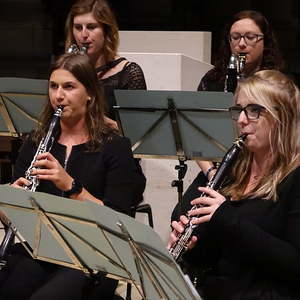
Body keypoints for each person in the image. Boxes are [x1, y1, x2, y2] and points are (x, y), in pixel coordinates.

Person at [0, 53, 146, 300]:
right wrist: (10, 202)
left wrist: (72, 187)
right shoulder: (35, 142)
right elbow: (13, 219)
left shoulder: (114, 146)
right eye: (54, 86)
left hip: (95, 257)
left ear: (89, 93)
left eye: (69, 87)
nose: (58, 95)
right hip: (41, 249)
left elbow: (118, 222)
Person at [168, 70, 300, 299]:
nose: (241, 120)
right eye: (239, 110)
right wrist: (192, 248)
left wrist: (227, 218)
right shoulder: (233, 169)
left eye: (254, 110)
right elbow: (215, 256)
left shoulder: (295, 177)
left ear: (283, 117)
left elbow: (294, 263)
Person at [181, 10, 285, 215]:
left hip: (260, 170)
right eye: (235, 37)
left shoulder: (275, 85)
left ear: (265, 42)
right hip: (219, 169)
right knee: (182, 213)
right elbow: (196, 133)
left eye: (251, 37)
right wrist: (211, 172)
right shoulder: (213, 80)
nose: (242, 44)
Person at [65, 0, 147, 120]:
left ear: (106, 30)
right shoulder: (67, 71)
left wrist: (101, 122)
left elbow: (139, 131)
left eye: (91, 27)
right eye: (78, 27)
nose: (83, 34)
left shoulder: (129, 73)